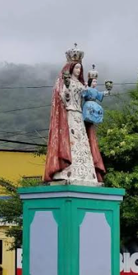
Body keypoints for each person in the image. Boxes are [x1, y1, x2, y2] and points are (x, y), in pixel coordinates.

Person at [43, 45, 105, 184]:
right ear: (70, 68)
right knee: (70, 141)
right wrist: (65, 92)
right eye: (76, 67)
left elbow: (89, 94)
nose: (78, 70)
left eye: (80, 68)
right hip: (69, 115)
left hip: (79, 116)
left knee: (82, 143)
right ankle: (66, 169)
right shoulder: (64, 81)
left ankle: (87, 172)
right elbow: (62, 96)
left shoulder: (81, 83)